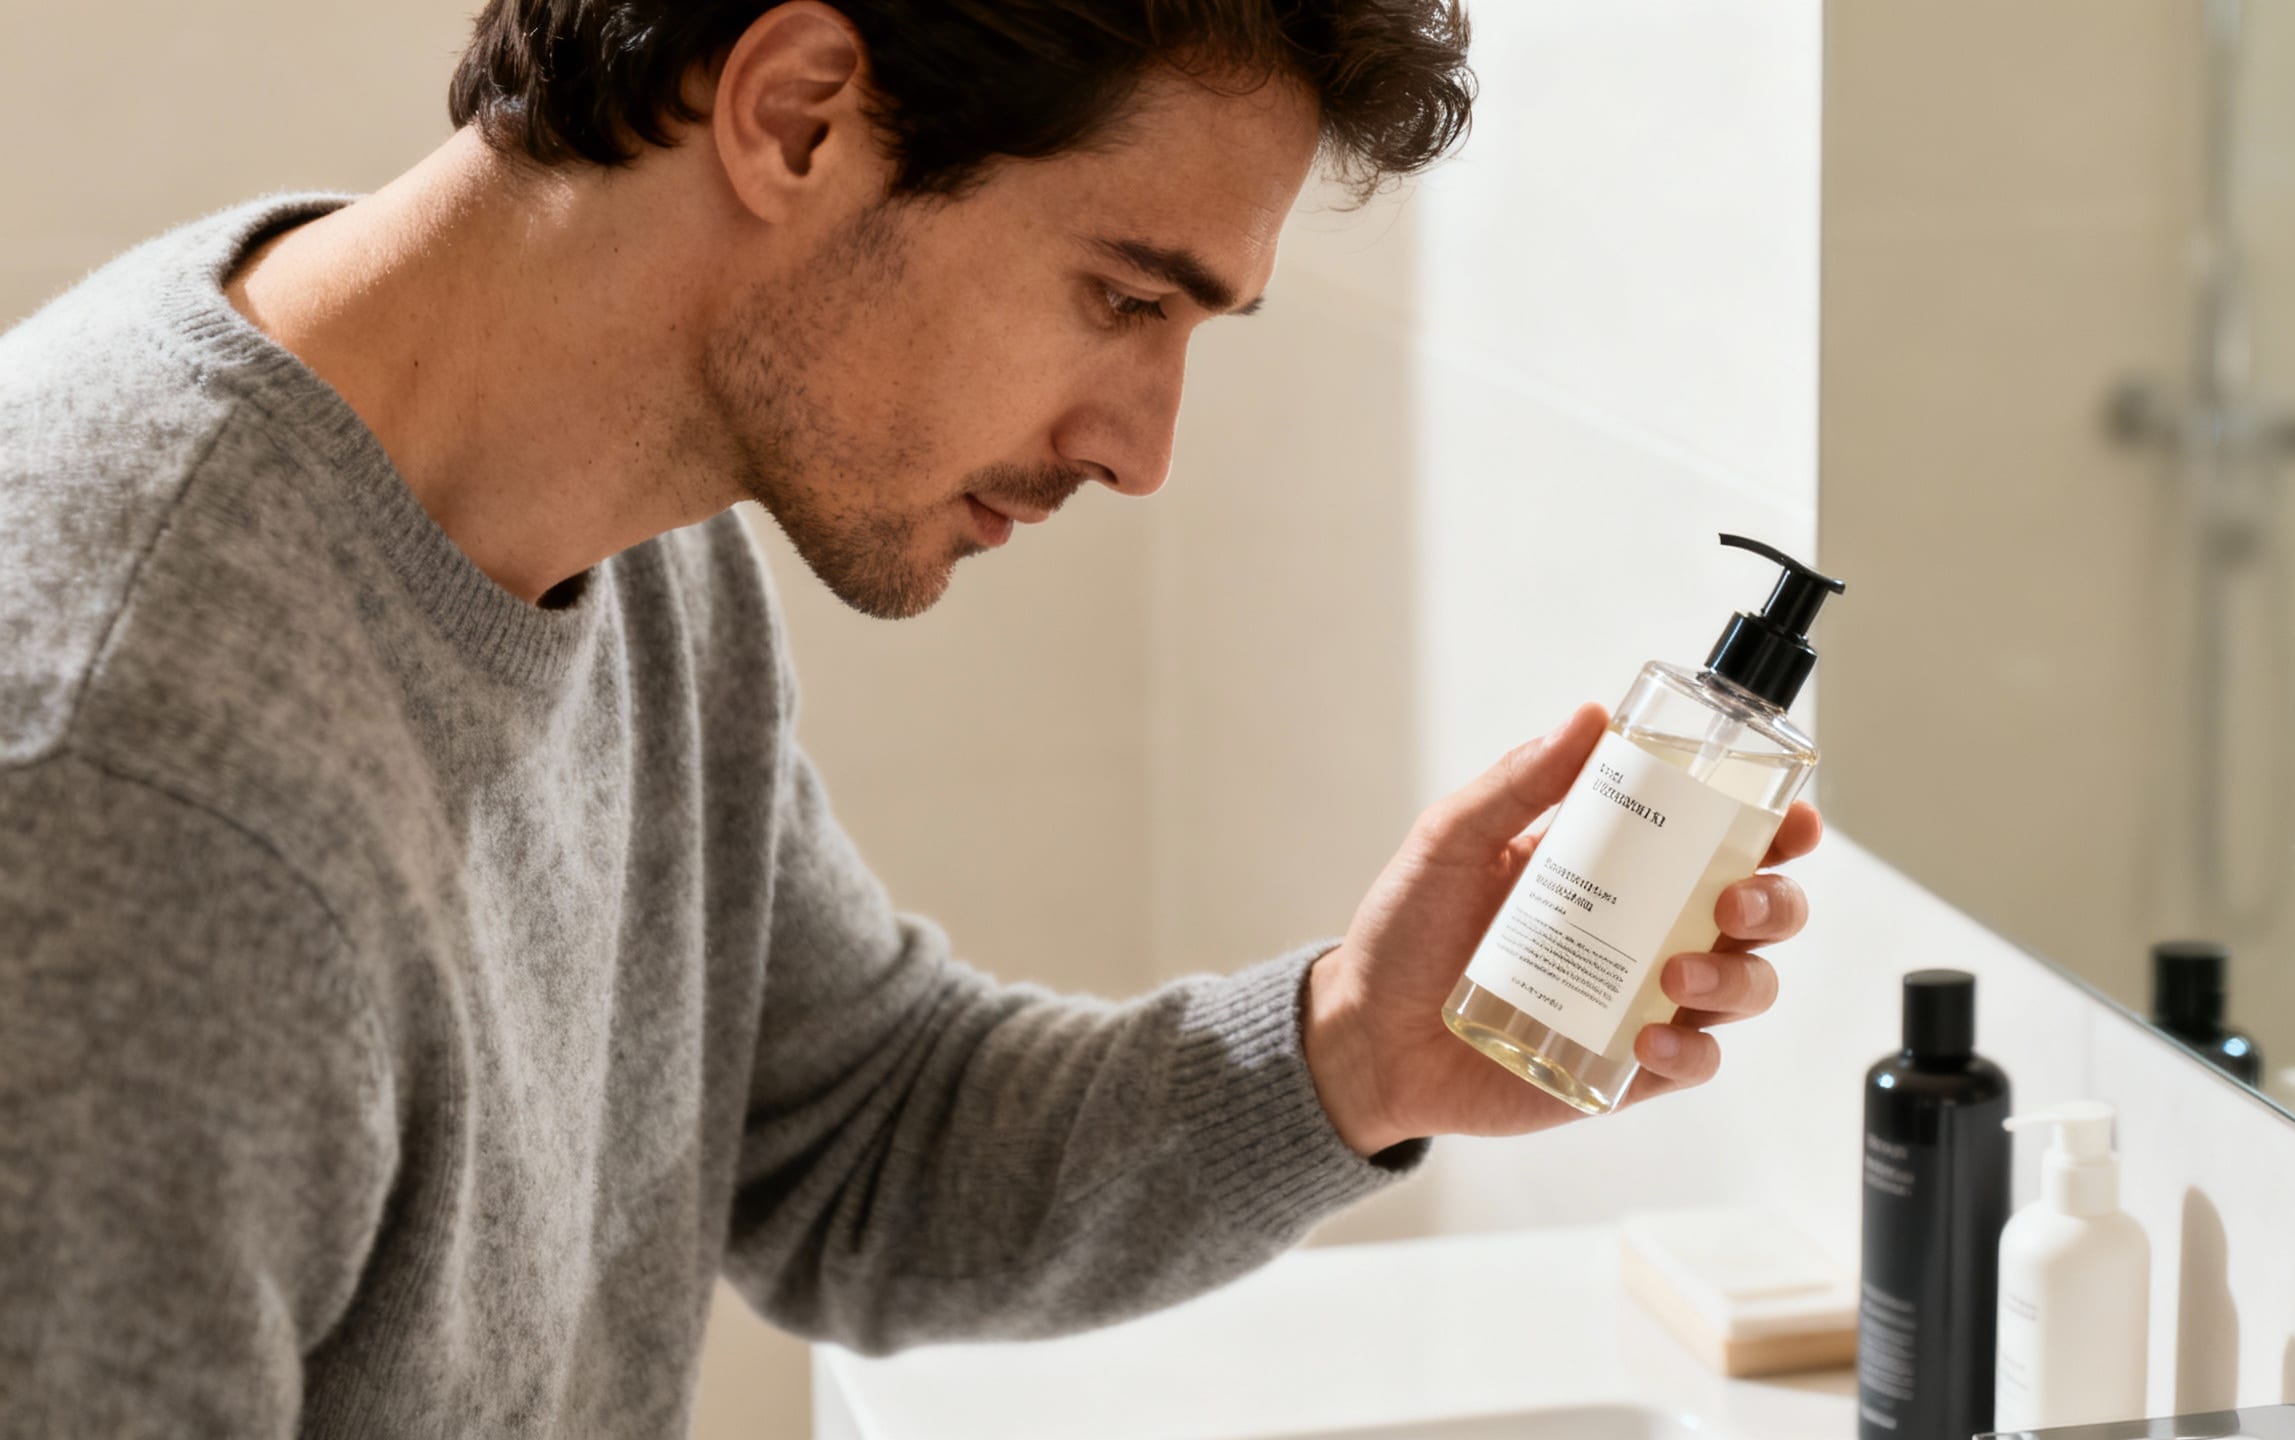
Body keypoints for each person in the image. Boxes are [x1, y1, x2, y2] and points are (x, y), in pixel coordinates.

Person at [0, 2, 1819, 1433]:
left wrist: (1357, 1048)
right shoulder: (131, 795)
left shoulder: (623, 534)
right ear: (796, 113)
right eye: (1121, 297)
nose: (1144, 447)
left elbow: (850, 1137)